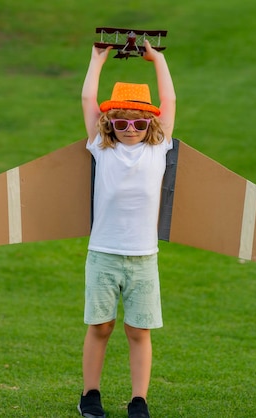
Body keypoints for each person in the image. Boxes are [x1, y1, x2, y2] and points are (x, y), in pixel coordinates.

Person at [78, 40, 176, 418]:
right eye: (121, 122)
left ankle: (139, 400)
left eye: (138, 122)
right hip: (103, 255)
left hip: (143, 259)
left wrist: (159, 60)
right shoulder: (102, 148)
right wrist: (96, 61)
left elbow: (169, 100)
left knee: (139, 331)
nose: (130, 129)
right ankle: (90, 395)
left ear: (151, 123)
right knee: (100, 327)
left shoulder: (159, 147)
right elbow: (89, 100)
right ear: (109, 124)